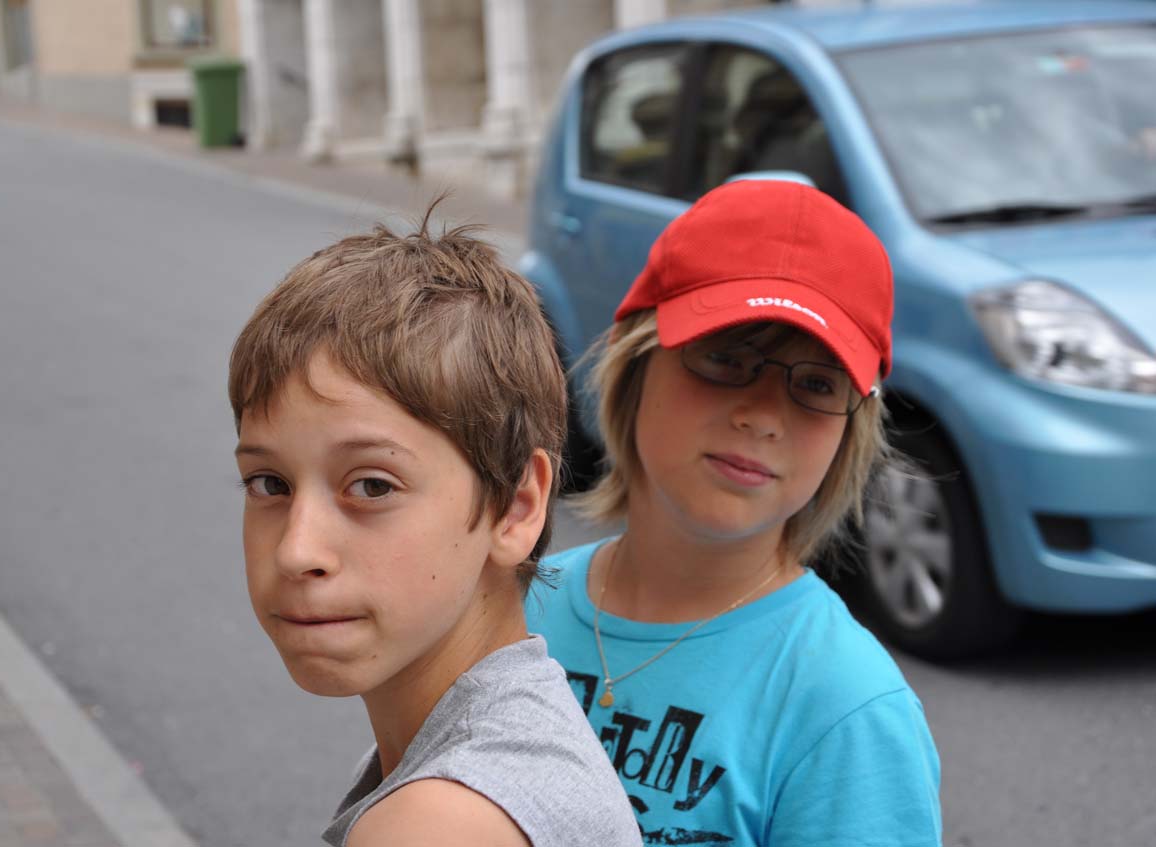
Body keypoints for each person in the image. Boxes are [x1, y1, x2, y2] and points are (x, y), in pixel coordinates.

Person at [527, 179, 943, 846]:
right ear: (637, 362)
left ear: (851, 430)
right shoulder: (513, 609)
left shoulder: (847, 711)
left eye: (816, 383)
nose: (763, 415)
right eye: (725, 357)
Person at [228, 211, 643, 847]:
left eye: (372, 486)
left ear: (517, 505)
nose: (296, 550)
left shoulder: (444, 821)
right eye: (269, 484)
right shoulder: (488, 752)